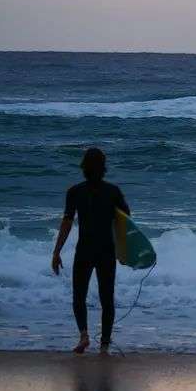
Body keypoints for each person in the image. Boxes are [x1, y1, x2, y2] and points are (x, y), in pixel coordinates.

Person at [51, 148, 130, 354]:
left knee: (79, 296)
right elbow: (126, 223)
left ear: (83, 167)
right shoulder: (113, 191)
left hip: (84, 250)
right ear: (103, 167)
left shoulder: (75, 191)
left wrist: (56, 251)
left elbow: (67, 222)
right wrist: (124, 251)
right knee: (107, 298)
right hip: (106, 250)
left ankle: (84, 335)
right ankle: (104, 345)